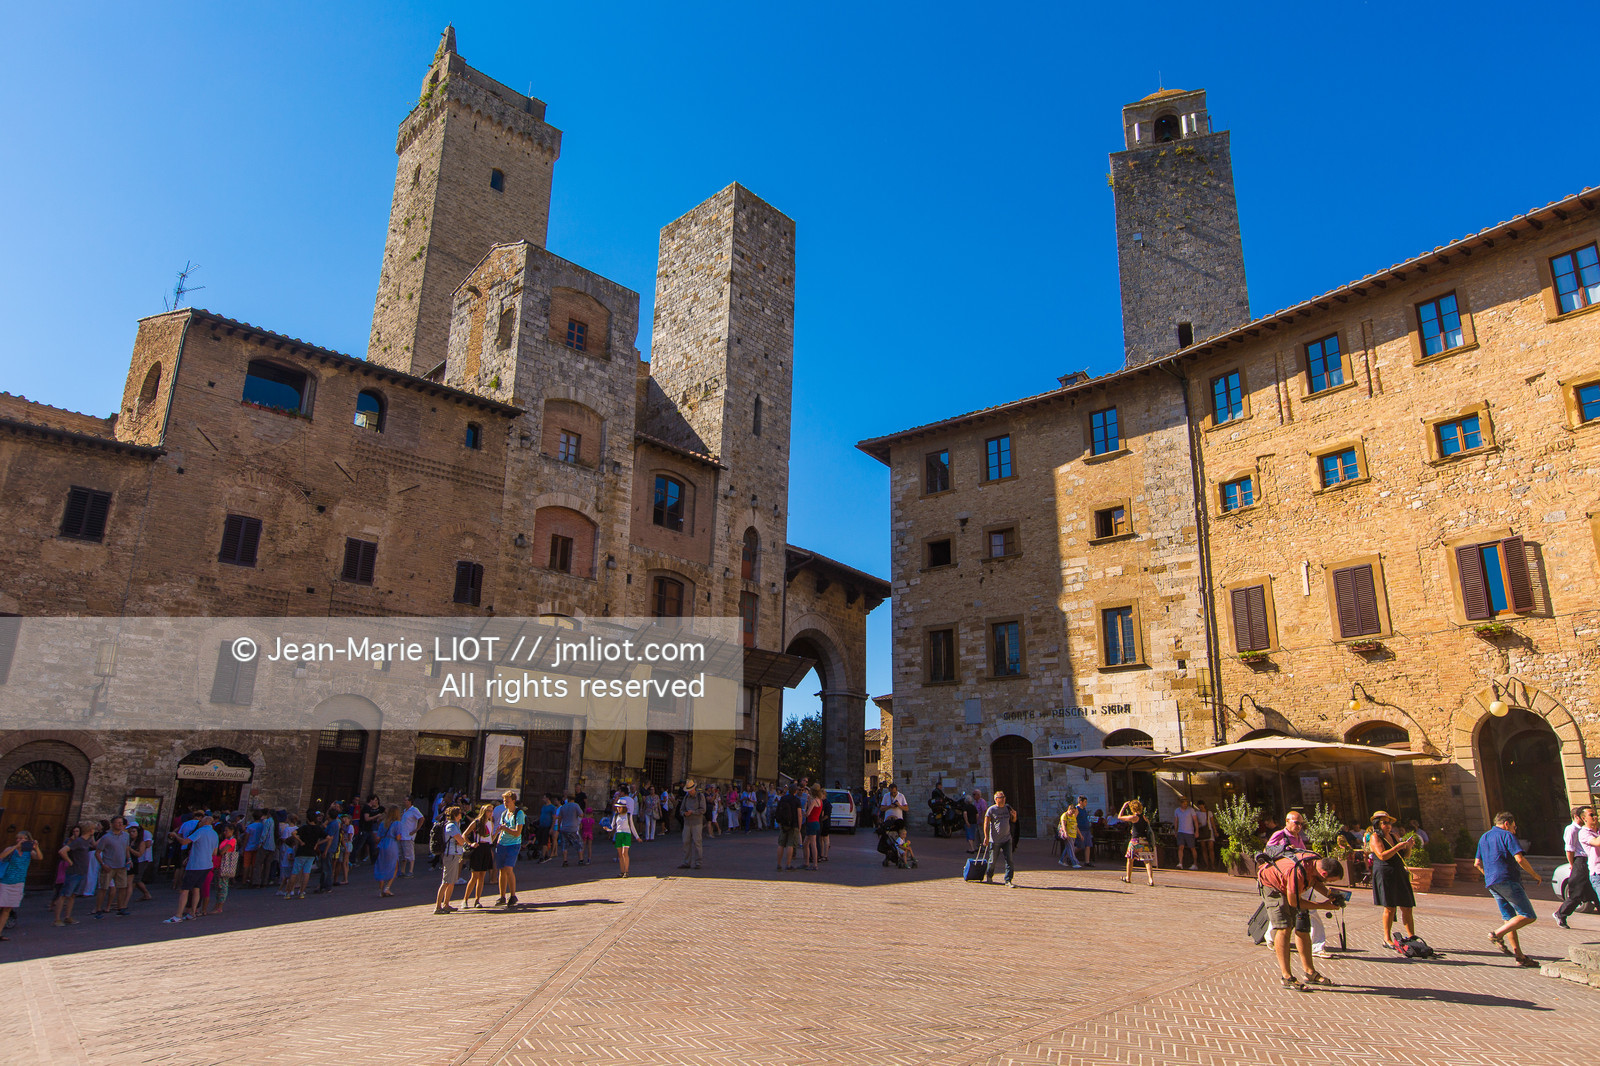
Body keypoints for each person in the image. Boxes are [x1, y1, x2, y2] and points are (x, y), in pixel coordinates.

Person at [1257, 849, 1344, 991]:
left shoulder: (1316, 862)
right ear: (1324, 873)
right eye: (1331, 881)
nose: (1330, 883)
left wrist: (1329, 894)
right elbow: (1294, 902)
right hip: (1273, 886)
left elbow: (1314, 881)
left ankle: (1310, 973)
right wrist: (1322, 905)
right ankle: (1286, 977)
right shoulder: (1297, 872)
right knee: (1284, 928)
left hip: (1292, 886)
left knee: (1303, 925)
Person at [1477, 810, 1542, 968]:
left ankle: (1519, 957)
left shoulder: (1484, 837)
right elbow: (1519, 858)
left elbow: (1477, 863)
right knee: (1528, 915)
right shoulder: (1507, 835)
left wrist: (1489, 875)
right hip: (1508, 880)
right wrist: (1534, 875)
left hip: (1492, 883)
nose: (1514, 830)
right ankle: (1496, 934)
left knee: (1509, 919)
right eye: (1514, 827)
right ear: (1507, 824)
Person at [1366, 811, 1418, 948]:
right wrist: (1397, 847)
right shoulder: (1375, 837)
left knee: (1407, 906)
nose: (1388, 825)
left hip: (1399, 871)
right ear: (1377, 824)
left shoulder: (1394, 836)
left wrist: (1408, 847)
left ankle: (1412, 936)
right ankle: (1387, 938)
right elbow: (1382, 855)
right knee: (1390, 907)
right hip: (1385, 872)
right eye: (1384, 823)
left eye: (1389, 823)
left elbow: (1404, 856)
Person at [166, 814, 217, 924]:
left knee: (185, 890)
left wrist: (175, 835)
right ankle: (192, 913)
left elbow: (184, 842)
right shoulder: (214, 834)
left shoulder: (200, 831)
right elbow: (215, 852)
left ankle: (178, 915)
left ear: (205, 822)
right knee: (196, 889)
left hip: (196, 864)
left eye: (201, 821)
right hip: (207, 864)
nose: (200, 823)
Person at [1555, 804, 1596, 928]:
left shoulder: (1587, 829)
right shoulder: (1572, 829)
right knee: (1576, 892)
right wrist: (1572, 864)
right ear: (1578, 817)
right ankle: (1560, 914)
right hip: (1580, 861)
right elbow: (1569, 849)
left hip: (1589, 861)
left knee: (1594, 892)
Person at [93, 815, 132, 917]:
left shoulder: (126, 836)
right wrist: (103, 864)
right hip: (109, 866)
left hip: (121, 866)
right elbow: (97, 853)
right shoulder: (106, 837)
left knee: (122, 887)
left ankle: (121, 907)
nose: (120, 824)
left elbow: (126, 848)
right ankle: (98, 909)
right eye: (118, 822)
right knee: (103, 888)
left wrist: (129, 859)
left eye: (121, 823)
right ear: (112, 824)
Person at [55, 822, 94, 925]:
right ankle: (57, 919)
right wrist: (70, 861)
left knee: (72, 895)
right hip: (74, 872)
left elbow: (95, 845)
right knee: (64, 895)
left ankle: (68, 916)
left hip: (81, 871)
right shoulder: (79, 841)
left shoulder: (87, 841)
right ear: (90, 830)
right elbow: (62, 851)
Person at [0, 831, 35, 940]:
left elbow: (39, 857)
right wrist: (16, 847)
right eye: (18, 838)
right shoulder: (10, 849)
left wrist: (36, 847)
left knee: (7, 909)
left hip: (18, 883)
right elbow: (1, 856)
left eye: (22, 838)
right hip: (5, 882)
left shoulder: (29, 852)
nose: (20, 840)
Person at [494, 791, 525, 906]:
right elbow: (501, 830)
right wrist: (498, 841)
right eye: (504, 801)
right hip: (502, 844)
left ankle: (513, 895)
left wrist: (505, 829)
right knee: (501, 870)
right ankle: (502, 896)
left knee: (508, 868)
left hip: (513, 844)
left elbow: (517, 833)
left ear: (513, 801)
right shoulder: (504, 814)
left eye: (507, 801)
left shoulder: (519, 813)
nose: (505, 803)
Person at [434, 806, 467, 913]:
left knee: (451, 881)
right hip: (451, 855)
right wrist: (461, 841)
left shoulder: (455, 825)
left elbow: (460, 841)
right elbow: (461, 841)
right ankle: (438, 907)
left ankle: (446, 904)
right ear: (456, 815)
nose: (461, 815)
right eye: (460, 813)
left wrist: (460, 841)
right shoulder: (451, 826)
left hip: (454, 855)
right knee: (446, 881)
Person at [463, 803, 496, 908]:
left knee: (482, 876)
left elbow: (490, 839)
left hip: (486, 848)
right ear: (484, 811)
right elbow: (464, 835)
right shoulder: (476, 822)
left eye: (491, 811)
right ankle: (465, 900)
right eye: (488, 811)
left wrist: (497, 832)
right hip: (478, 848)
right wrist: (470, 844)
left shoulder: (491, 823)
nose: (490, 813)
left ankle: (477, 900)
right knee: (474, 876)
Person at [982, 789, 1017, 887]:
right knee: (992, 861)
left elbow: (1013, 821)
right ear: (996, 799)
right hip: (995, 840)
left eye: (1004, 797)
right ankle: (989, 876)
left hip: (1007, 839)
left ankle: (1008, 880)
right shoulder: (991, 810)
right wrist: (986, 837)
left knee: (1009, 860)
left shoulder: (1008, 808)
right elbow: (986, 824)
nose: (1003, 799)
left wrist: (1014, 816)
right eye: (1001, 798)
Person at [1118, 800, 1156, 886]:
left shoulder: (1133, 817)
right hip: (1144, 841)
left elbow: (1120, 817)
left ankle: (1128, 877)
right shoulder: (1144, 817)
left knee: (1130, 859)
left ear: (1132, 808)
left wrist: (1123, 807)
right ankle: (1150, 879)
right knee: (1147, 861)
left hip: (1135, 841)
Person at [209, 825, 239, 913]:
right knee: (218, 886)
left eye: (226, 831)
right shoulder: (225, 840)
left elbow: (222, 851)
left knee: (222, 886)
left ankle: (219, 907)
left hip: (224, 865)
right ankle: (217, 905)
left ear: (232, 831)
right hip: (218, 865)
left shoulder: (232, 840)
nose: (225, 832)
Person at [374, 806, 402, 897]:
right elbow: (398, 837)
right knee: (395, 866)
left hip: (383, 844)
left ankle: (380, 890)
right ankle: (387, 887)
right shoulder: (397, 823)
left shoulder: (383, 823)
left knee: (381, 866)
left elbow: (378, 837)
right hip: (392, 844)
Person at [678, 779, 706, 869]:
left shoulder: (700, 796)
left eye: (690, 790)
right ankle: (686, 862)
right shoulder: (686, 797)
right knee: (686, 842)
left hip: (697, 823)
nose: (689, 791)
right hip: (687, 823)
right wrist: (684, 813)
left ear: (694, 788)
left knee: (697, 842)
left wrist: (692, 812)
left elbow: (703, 809)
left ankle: (698, 862)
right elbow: (681, 809)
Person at [774, 784, 803, 871]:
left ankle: (779, 864)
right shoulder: (797, 800)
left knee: (781, 844)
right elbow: (799, 814)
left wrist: (779, 822)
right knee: (790, 845)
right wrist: (799, 826)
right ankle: (788, 864)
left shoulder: (783, 798)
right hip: (793, 824)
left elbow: (778, 811)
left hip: (784, 824)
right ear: (795, 791)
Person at [398, 796, 424, 878]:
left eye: (406, 800)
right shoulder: (405, 811)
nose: (404, 802)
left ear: (410, 801)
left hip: (408, 836)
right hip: (402, 835)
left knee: (409, 854)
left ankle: (410, 871)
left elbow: (421, 818)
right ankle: (402, 871)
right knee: (403, 855)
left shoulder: (414, 810)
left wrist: (416, 829)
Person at [801, 785, 825, 871]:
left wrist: (803, 811)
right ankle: (807, 862)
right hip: (816, 822)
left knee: (812, 844)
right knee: (806, 843)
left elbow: (808, 813)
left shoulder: (814, 801)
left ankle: (814, 864)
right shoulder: (820, 801)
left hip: (811, 822)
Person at [611, 799, 637, 877]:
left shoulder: (628, 815)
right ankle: (622, 871)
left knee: (624, 853)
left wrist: (637, 837)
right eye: (617, 807)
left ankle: (626, 871)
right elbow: (612, 826)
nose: (618, 808)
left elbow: (632, 827)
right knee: (620, 854)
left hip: (626, 834)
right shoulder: (616, 816)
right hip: (618, 834)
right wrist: (607, 828)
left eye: (620, 807)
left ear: (623, 807)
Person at [129, 823, 155, 901]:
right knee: (135, 879)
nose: (131, 832)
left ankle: (145, 894)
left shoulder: (146, 834)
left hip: (144, 858)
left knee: (136, 879)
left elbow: (148, 844)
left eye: (133, 831)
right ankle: (145, 894)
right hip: (136, 859)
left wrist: (138, 845)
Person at [252, 809, 277, 887]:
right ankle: (264, 881)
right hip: (272, 846)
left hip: (265, 844)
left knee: (259, 864)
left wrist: (261, 842)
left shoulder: (268, 821)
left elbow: (265, 833)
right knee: (267, 864)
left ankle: (256, 882)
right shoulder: (276, 822)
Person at [556, 794, 583, 866]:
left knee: (565, 845)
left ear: (568, 799)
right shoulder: (576, 805)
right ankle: (581, 859)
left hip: (564, 828)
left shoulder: (563, 807)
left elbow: (559, 818)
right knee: (578, 844)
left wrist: (558, 827)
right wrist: (578, 821)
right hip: (573, 828)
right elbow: (581, 814)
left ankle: (565, 861)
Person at [1173, 798, 1198, 871]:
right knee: (1180, 847)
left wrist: (1197, 831)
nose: (1185, 805)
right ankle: (1180, 863)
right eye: (1184, 803)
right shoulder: (1177, 810)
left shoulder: (1191, 810)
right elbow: (1176, 821)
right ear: (1180, 803)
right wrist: (1175, 831)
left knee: (1192, 847)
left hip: (1190, 832)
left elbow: (1195, 820)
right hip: (1181, 831)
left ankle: (1195, 863)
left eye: (1186, 804)